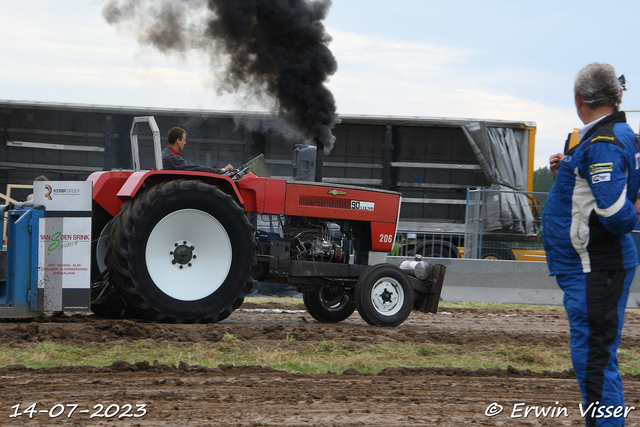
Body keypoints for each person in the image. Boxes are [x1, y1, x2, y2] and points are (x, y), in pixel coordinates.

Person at [543, 63, 640, 426]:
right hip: (595, 265)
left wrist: (629, 211)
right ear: (615, 95)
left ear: (578, 98)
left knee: (594, 361)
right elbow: (604, 184)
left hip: (593, 266)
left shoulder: (603, 141)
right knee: (596, 359)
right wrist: (568, 167)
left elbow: (614, 209)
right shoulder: (614, 134)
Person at [162, 126, 233, 174]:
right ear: (178, 141)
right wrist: (222, 170)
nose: (185, 143)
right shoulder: (172, 158)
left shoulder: (166, 153)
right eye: (184, 140)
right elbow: (195, 169)